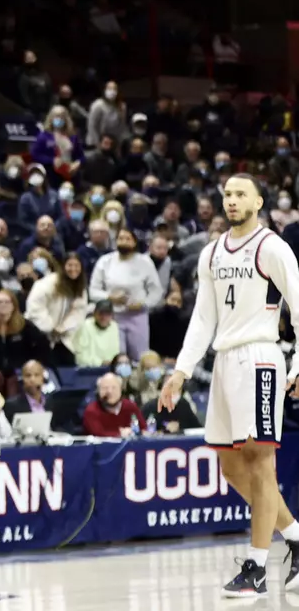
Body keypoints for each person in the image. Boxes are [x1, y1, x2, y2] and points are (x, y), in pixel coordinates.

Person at [159, 174, 299, 597]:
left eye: (241, 194)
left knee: (260, 462)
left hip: (260, 357)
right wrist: (182, 370)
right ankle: (296, 536)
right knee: (231, 467)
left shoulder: (273, 247)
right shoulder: (212, 252)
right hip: (224, 361)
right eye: (228, 194)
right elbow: (204, 317)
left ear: (258, 202)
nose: (232, 200)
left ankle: (256, 568)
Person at [89, 226, 163, 361]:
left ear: (134, 242)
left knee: (140, 358)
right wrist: (110, 297)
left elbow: (156, 291)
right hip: (112, 316)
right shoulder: (105, 261)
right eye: (121, 238)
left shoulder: (144, 262)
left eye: (128, 239)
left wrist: (143, 304)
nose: (124, 242)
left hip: (137, 315)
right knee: (116, 358)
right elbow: (93, 291)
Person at [24, 254, 88, 366]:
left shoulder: (80, 287)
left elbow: (79, 311)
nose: (73, 269)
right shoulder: (47, 284)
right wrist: (50, 327)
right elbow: (35, 307)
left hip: (63, 336)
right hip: (40, 334)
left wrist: (64, 327)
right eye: (70, 265)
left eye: (76, 265)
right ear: (63, 266)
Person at [81, 371, 144, 438]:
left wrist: (134, 432)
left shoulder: (131, 407)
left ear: (121, 390)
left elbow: (144, 430)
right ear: (98, 392)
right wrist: (120, 434)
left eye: (114, 387)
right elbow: (98, 434)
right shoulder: (91, 411)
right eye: (105, 388)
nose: (110, 391)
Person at [72, 298, 123, 367]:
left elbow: (116, 353)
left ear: (112, 315)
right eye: (101, 313)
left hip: (111, 368)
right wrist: (101, 362)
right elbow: (80, 358)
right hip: (89, 368)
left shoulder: (114, 326)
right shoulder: (85, 326)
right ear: (94, 314)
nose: (104, 317)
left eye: (107, 314)